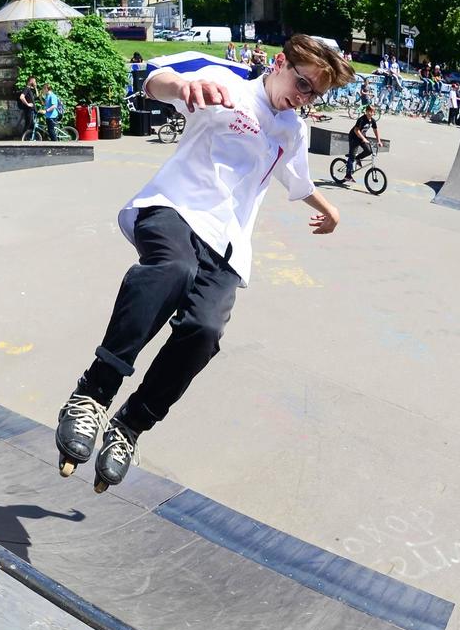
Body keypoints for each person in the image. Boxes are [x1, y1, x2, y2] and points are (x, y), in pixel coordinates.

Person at [53, 36, 352, 491]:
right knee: (174, 270)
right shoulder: (226, 86)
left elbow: (298, 177)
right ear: (279, 63)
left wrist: (328, 208)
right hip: (174, 208)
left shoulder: (294, 130)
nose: (303, 97)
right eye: (302, 82)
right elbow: (156, 83)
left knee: (205, 331)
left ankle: (129, 426)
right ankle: (94, 392)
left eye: (315, 94)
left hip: (228, 244)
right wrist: (180, 88)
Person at [348, 103, 382, 178]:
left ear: (374, 113)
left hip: (362, 137)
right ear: (366, 111)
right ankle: (348, 175)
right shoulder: (362, 119)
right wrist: (363, 139)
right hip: (354, 137)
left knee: (368, 150)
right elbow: (356, 130)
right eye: (369, 111)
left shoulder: (372, 121)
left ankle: (358, 158)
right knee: (352, 156)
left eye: (372, 111)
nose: (370, 113)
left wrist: (378, 141)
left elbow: (375, 130)